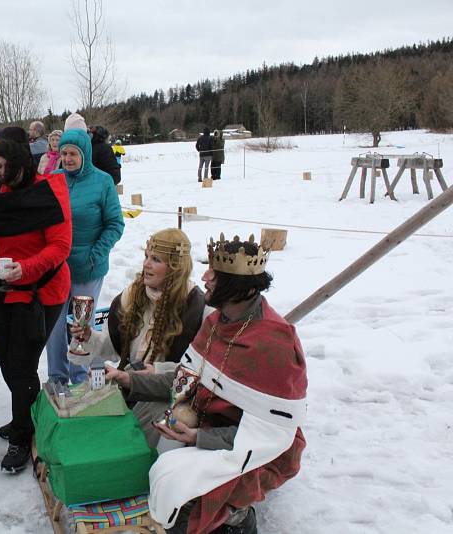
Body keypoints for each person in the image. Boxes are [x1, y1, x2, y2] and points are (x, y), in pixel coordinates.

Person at [106, 234, 307, 534]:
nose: (204, 277)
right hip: (204, 422)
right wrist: (130, 379)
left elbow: (274, 436)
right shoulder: (216, 323)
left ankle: (236, 518)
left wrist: (200, 437)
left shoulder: (274, 343)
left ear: (245, 289)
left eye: (215, 275)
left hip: (250, 446)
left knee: (182, 499)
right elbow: (183, 380)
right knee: (148, 463)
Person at [0, 128, 72, 473]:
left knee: (22, 363)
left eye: (7, 167)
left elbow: (60, 247)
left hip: (43, 290)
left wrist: (26, 268)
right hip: (6, 287)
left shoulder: (47, 192)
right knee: (3, 355)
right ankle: (26, 412)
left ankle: (22, 434)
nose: (1, 173)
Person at [70, 228, 205, 448]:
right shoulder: (133, 294)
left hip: (170, 395)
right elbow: (113, 346)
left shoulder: (196, 307)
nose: (146, 265)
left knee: (129, 439)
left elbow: (200, 370)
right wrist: (88, 337)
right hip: (129, 386)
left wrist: (157, 372)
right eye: (146, 257)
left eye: (156, 259)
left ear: (174, 268)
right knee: (82, 426)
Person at [44, 127, 124, 385]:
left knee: (79, 326)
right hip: (57, 267)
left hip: (87, 267)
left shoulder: (102, 182)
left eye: (73, 154)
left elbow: (115, 223)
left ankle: (79, 378)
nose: (67, 159)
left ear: (85, 154)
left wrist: (95, 254)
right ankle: (56, 376)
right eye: (63, 153)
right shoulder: (54, 178)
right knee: (55, 326)